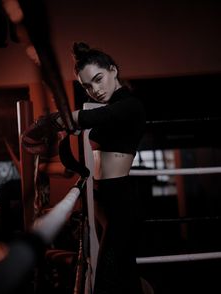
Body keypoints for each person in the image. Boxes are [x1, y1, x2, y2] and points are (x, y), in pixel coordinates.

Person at [22, 42, 146, 293]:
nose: (95, 90)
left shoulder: (130, 107)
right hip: (99, 200)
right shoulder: (103, 111)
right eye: (87, 86)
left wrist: (51, 121)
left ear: (113, 70)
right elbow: (75, 161)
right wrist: (59, 135)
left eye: (99, 79)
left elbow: (92, 118)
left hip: (119, 202)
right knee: (122, 273)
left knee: (107, 278)